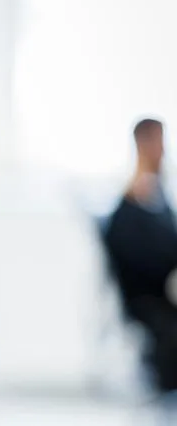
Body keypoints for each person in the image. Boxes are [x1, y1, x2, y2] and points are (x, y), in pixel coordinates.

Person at [103, 118, 177, 393]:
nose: (164, 151)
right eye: (158, 142)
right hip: (151, 302)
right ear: (143, 144)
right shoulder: (132, 206)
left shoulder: (156, 197)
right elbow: (143, 261)